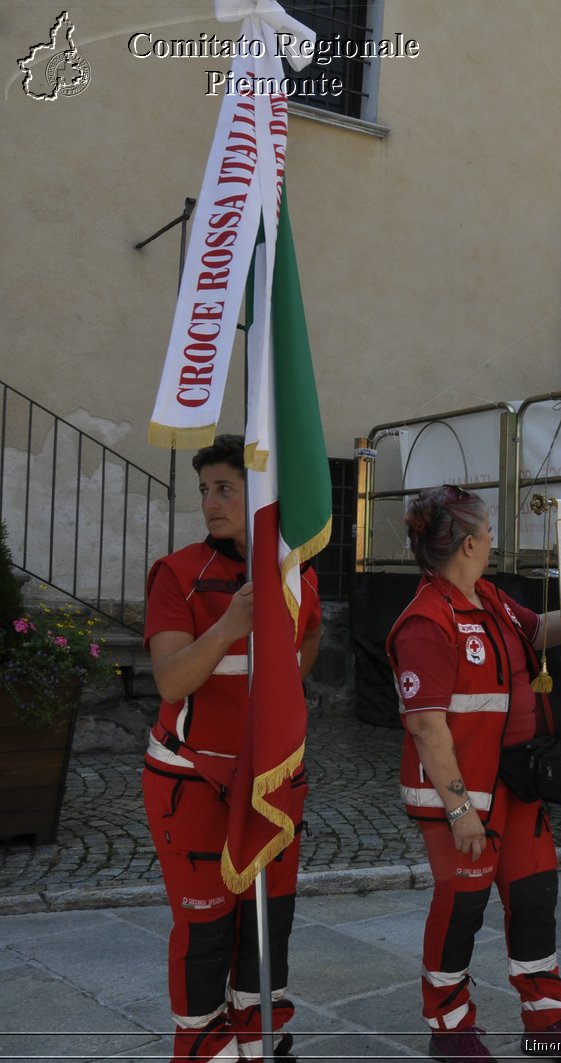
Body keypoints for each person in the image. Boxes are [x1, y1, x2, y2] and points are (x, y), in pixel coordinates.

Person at [385, 486, 561, 1062]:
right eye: (491, 532)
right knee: (462, 910)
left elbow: (538, 631)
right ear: (471, 542)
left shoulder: (490, 598)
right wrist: (459, 812)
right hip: (465, 803)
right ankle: (449, 1028)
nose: (494, 541)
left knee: (534, 898)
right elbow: (428, 729)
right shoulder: (426, 622)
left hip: (517, 787)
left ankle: (546, 1020)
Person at [143, 434, 322, 1063]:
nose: (211, 502)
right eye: (204, 490)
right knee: (207, 930)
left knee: (267, 924)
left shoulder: (294, 576)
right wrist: (228, 628)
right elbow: (171, 681)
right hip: (191, 782)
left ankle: (261, 1043)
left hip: (269, 783)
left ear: (261, 495)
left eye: (226, 488)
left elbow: (300, 665)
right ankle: (203, 1050)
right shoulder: (177, 574)